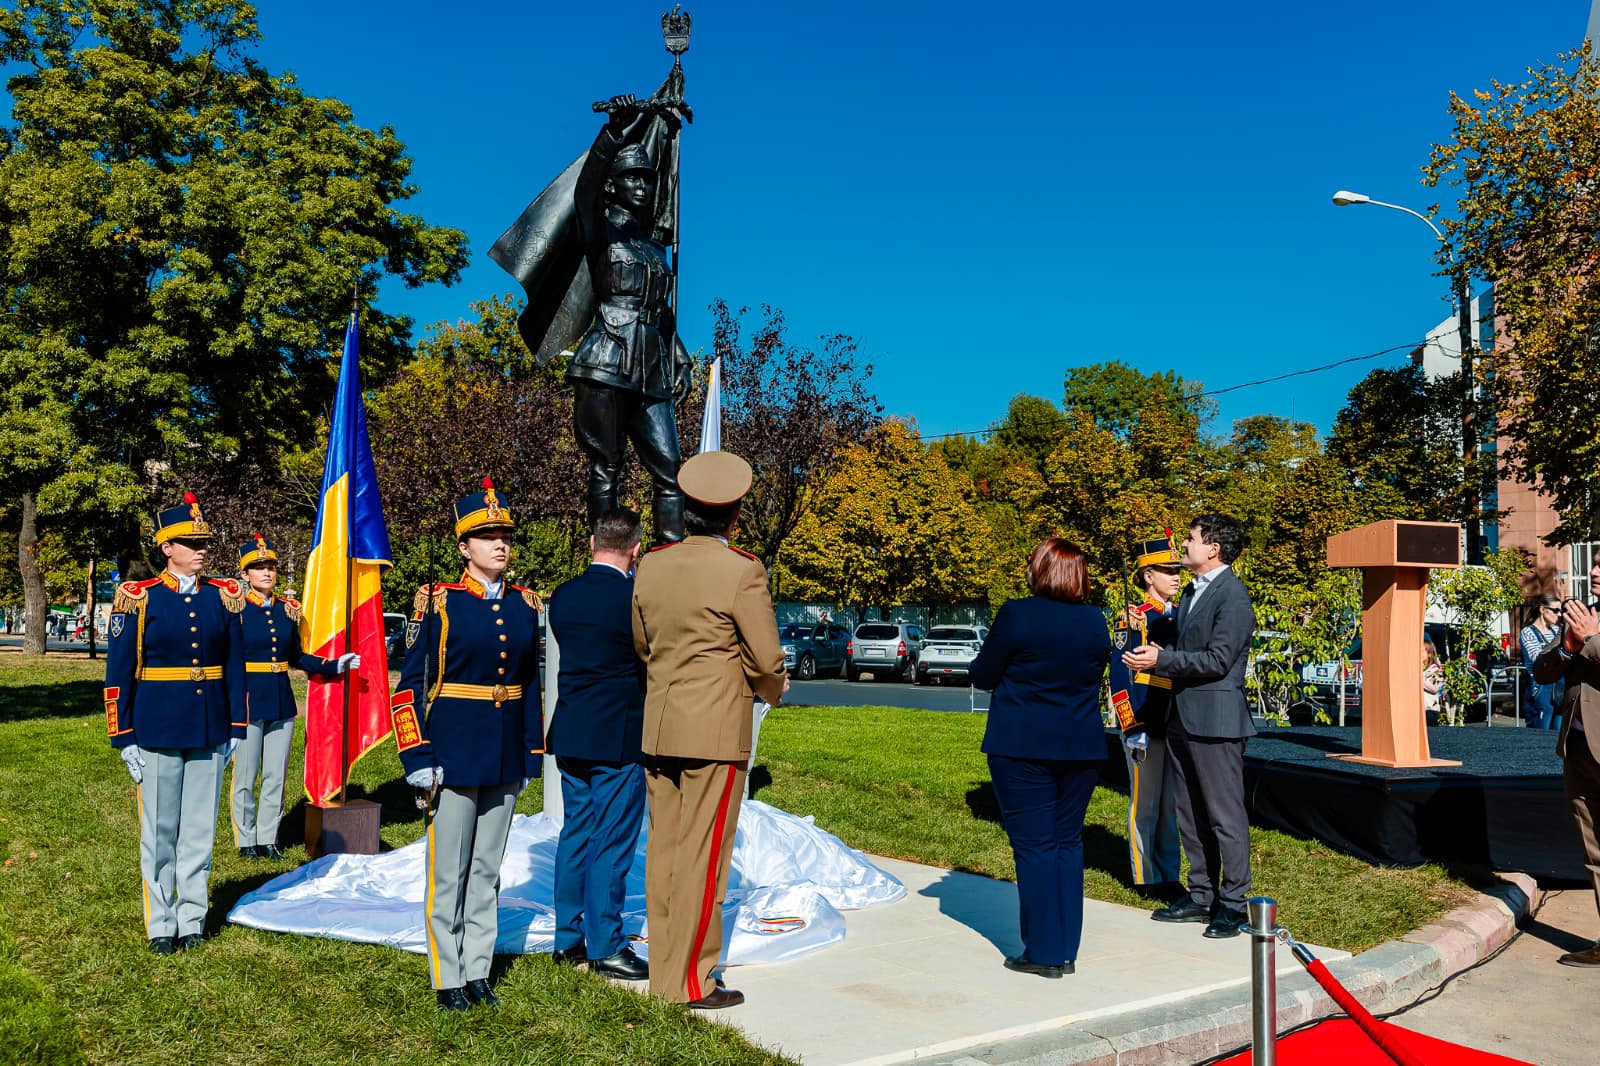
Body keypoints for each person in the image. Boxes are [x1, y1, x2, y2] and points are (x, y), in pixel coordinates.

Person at [630, 450, 787, 1009]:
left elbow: (644, 645)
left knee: (666, 854)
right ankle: (691, 982)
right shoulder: (742, 570)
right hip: (716, 731)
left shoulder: (651, 564)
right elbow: (767, 661)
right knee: (704, 858)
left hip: (661, 725)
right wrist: (770, 693)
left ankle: (664, 974)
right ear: (735, 515)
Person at [390, 478, 544, 1011]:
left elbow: (529, 687)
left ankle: (478, 969)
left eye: (504, 533)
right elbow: (406, 688)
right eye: (487, 535)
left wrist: (530, 754)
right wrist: (417, 756)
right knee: (449, 870)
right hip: (451, 754)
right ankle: (447, 975)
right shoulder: (439, 603)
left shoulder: (526, 606)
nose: (500, 542)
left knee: (486, 870)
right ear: (464, 547)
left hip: (502, 754)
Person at [104, 492, 246, 955]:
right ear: (167, 547)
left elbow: (236, 668)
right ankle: (161, 922)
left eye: (204, 540)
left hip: (208, 729)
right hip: (157, 728)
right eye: (190, 541)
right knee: (160, 831)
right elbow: (119, 674)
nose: (202, 548)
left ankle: (192, 917)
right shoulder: (138, 598)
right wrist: (122, 735)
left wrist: (236, 728)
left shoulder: (221, 598)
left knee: (200, 831)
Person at [969, 538, 1111, 979]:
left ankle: (1045, 952)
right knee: (1067, 844)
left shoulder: (1017, 614)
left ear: (1043, 570)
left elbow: (985, 673)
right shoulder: (1094, 621)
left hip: (1023, 746)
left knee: (1034, 846)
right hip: (1081, 747)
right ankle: (1065, 947)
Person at [1123, 513, 1257, 939]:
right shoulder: (1198, 592)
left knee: (1224, 817)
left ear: (1213, 548)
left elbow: (1218, 661)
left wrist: (1162, 659)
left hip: (1216, 723)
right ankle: (1201, 895)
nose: (1184, 545)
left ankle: (1233, 905)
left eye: (1191, 538)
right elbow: (1190, 648)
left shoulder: (1233, 597)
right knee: (1190, 815)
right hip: (1183, 717)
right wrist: (1161, 648)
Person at [569, 94, 694, 541]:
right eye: (632, 177)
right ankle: (605, 561)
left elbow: (662, 312)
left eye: (647, 177)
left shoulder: (655, 247)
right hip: (606, 360)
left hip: (652, 366)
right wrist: (612, 133)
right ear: (613, 184)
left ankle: (670, 565)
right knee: (606, 466)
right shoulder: (599, 231)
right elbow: (584, 192)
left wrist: (678, 353)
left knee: (670, 470)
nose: (642, 185)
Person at [547, 508, 649, 981]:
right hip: (617, 736)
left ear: (591, 543)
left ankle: (567, 938)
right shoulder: (635, 599)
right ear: (635, 550)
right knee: (611, 841)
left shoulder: (563, 597)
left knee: (575, 836)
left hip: (572, 730)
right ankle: (606, 944)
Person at [230, 535, 358, 860]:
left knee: (276, 774)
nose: (267, 573)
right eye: (258, 568)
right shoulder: (236, 610)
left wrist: (333, 665)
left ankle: (267, 838)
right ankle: (246, 841)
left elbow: (298, 656)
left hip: (280, 699)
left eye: (270, 567)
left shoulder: (288, 611)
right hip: (247, 699)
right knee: (245, 775)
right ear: (245, 575)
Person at [1107, 534, 1185, 901]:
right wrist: (1130, 724)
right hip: (1144, 719)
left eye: (1177, 570)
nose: (1176, 577)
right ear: (1147, 575)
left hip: (1176, 721)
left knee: (1171, 805)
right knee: (1146, 803)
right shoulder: (1134, 617)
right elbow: (1120, 675)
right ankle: (1146, 876)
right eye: (1167, 571)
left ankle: (1170, 874)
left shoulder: (1183, 614)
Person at [1532, 557, 1600, 967]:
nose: (1593, 573)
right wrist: (1569, 646)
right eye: (1593, 566)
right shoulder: (1584, 616)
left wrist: (1589, 639)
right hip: (1578, 751)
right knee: (1595, 854)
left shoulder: (1590, 624)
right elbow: (1542, 672)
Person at [1520, 597, 1562, 730]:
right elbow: (1537, 658)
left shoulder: (1557, 630)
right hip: (1541, 688)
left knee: (1558, 734)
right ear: (1543, 610)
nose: (1559, 614)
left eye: (1561, 611)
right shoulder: (1528, 632)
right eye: (1556, 610)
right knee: (1540, 735)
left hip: (1560, 688)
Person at [1422, 638, 1445, 720]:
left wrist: (1419, 679)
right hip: (1420, 709)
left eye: (1421, 651)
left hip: (1430, 710)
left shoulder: (1435, 670)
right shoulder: (1421, 669)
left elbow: (1435, 688)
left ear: (1429, 654)